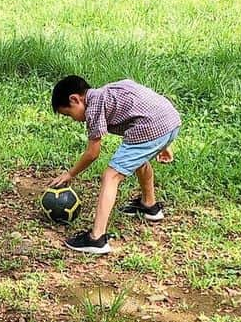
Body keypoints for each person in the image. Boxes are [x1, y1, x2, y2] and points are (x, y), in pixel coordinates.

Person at [49, 75, 181, 255]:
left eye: (68, 113)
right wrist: (165, 142)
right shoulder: (111, 90)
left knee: (111, 176)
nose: (73, 119)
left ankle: (96, 239)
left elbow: (92, 153)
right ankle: (149, 206)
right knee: (137, 159)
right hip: (171, 120)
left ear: (75, 99)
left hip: (152, 126)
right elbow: (147, 103)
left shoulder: (93, 107)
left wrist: (70, 174)